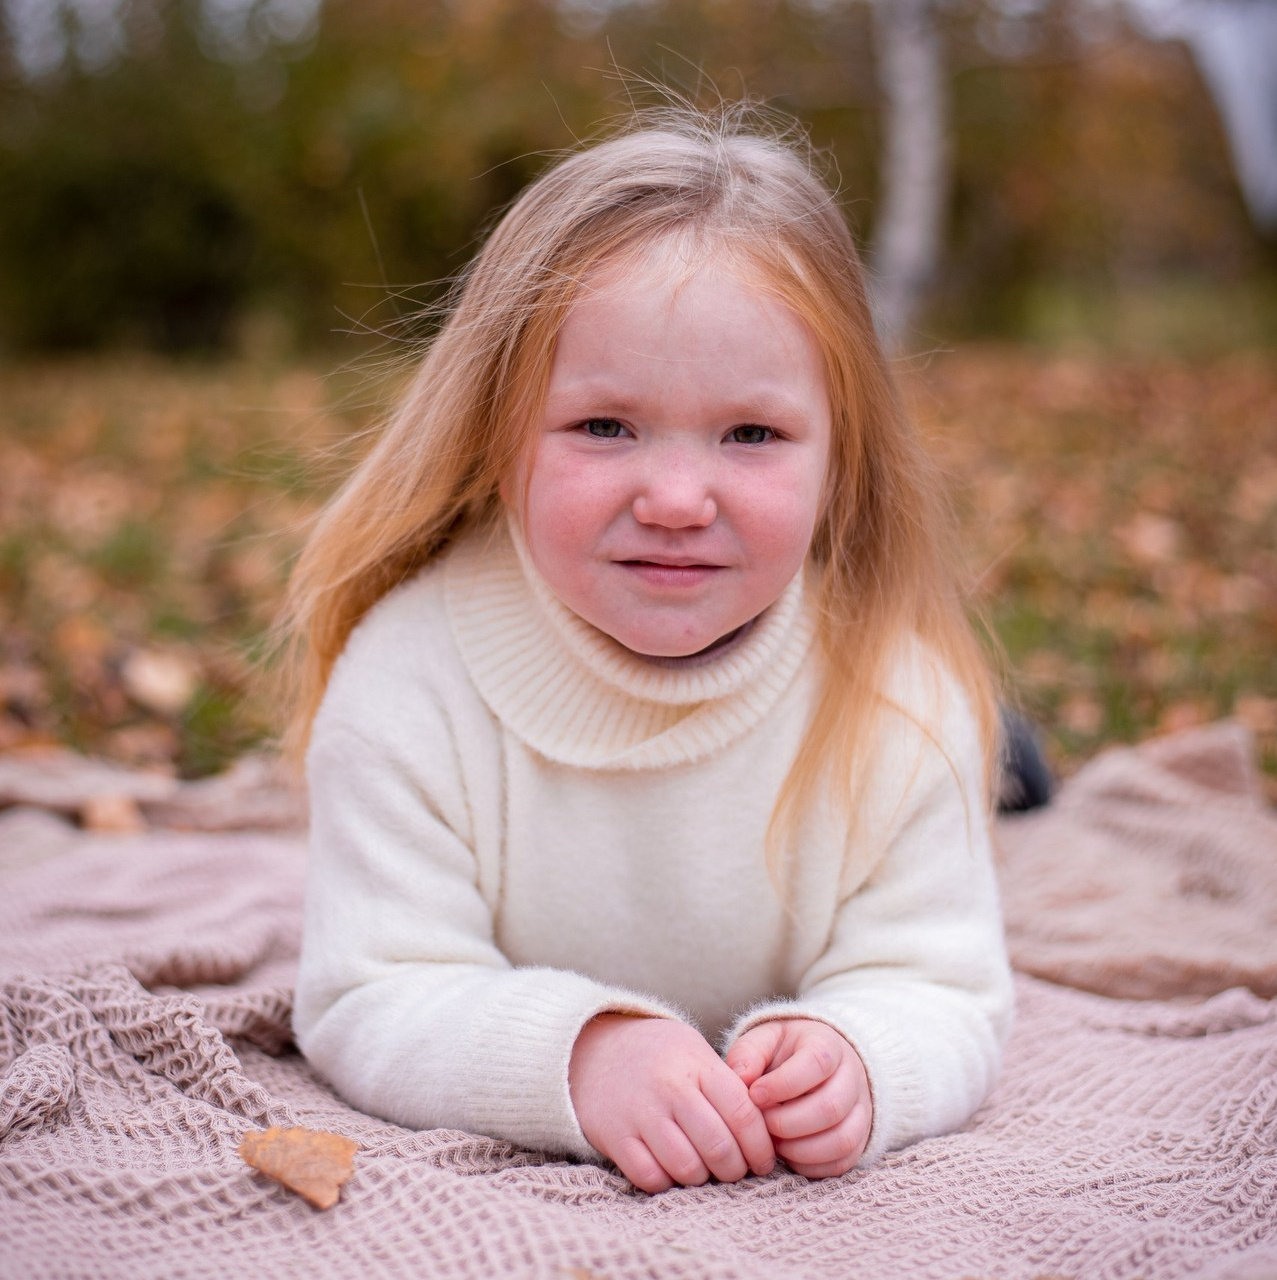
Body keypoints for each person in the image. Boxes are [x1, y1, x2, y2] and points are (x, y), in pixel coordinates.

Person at [285, 105, 1015, 1195]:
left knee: (1004, 770)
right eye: (604, 426)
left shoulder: (896, 701)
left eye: (751, 434)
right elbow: (371, 988)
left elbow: (941, 983)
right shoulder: (406, 683)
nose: (675, 499)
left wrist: (862, 1055)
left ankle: (1020, 768)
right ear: (497, 437)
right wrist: (580, 1057)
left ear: (840, 460)